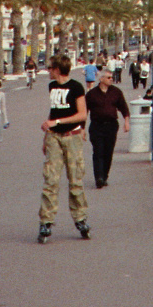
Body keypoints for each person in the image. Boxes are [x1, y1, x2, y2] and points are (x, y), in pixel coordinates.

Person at [39, 53, 91, 243]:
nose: (48, 71)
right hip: (54, 137)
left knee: (75, 180)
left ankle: (80, 218)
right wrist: (47, 136)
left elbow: (82, 115)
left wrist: (57, 122)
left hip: (72, 137)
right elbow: (53, 111)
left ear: (58, 69)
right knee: (50, 180)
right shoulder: (51, 86)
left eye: (50, 68)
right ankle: (46, 221)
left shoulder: (76, 87)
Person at [85, 68, 132, 189]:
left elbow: (124, 108)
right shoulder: (91, 94)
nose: (111, 79)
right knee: (98, 151)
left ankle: (104, 175)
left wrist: (126, 122)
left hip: (111, 125)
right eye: (109, 77)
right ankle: (98, 178)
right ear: (101, 79)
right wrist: (81, 129)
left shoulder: (116, 92)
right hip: (96, 125)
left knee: (108, 152)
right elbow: (84, 112)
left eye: (112, 77)